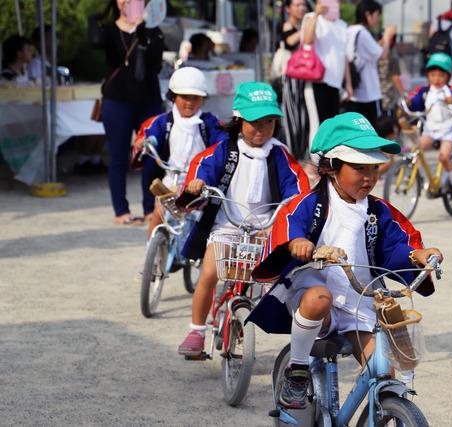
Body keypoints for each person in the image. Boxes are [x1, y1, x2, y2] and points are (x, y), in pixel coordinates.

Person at [246, 112, 443, 409]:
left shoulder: (378, 210)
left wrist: (418, 255)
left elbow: (395, 248)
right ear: (330, 167)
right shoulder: (309, 204)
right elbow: (288, 227)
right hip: (314, 295)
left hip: (357, 298)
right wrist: (298, 244)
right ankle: (297, 369)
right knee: (319, 297)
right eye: (359, 168)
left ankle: (387, 411)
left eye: (374, 168)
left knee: (383, 371)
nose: (369, 177)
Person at [175, 82, 310, 356]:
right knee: (210, 272)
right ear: (239, 120)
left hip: (265, 228)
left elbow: (297, 186)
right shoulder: (224, 149)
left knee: (277, 280)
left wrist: (287, 215)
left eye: (269, 122)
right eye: (254, 122)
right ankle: (197, 330)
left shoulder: (280, 154)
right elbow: (202, 166)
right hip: (226, 225)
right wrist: (196, 184)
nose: (261, 128)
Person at [90, 0, 167, 225]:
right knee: (118, 156)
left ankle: (149, 208)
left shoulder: (153, 30)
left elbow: (157, 64)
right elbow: (96, 42)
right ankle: (121, 210)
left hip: (149, 101)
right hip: (117, 101)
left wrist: (144, 29)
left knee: (152, 154)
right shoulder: (109, 30)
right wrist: (94, 19)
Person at [132, 67, 228, 239]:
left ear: (203, 99)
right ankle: (150, 256)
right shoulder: (164, 121)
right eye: (184, 97)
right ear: (173, 96)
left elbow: (221, 140)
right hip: (172, 179)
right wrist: (146, 142)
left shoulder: (208, 122)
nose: (190, 102)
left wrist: (224, 145)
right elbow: (153, 136)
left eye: (195, 98)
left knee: (209, 222)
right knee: (159, 213)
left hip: (199, 182)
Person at [408, 53, 452, 198]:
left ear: (448, 76)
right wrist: (409, 103)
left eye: (441, 75)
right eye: (432, 75)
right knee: (416, 150)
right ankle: (419, 178)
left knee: (444, 157)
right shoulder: (425, 91)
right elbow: (416, 104)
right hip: (430, 128)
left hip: (449, 129)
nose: (436, 79)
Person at [343, 0, 396, 125]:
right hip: (368, 92)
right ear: (368, 15)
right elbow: (383, 55)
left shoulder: (350, 31)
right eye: (376, 15)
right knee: (371, 129)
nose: (377, 19)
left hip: (354, 91)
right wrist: (388, 36)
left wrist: (383, 40)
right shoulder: (363, 33)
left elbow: (372, 50)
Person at [301, 0, 348, 135]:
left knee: (333, 123)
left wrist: (348, 83)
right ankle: (316, 155)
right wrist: (316, 14)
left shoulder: (342, 25)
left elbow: (343, 55)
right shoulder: (311, 17)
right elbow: (307, 40)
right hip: (318, 80)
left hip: (336, 82)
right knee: (318, 124)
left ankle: (330, 155)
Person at [280, 0, 310, 161]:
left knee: (304, 118)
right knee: (293, 119)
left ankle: (301, 156)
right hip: (291, 78)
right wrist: (307, 27)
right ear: (288, 8)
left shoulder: (303, 26)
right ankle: (293, 158)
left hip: (304, 77)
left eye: (304, 5)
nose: (302, 8)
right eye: (297, 5)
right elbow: (289, 42)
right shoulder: (288, 26)